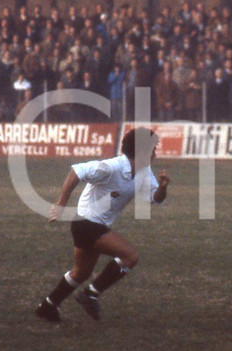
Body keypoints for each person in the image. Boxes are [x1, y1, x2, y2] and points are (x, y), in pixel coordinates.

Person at [35, 127, 170, 323]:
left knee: (81, 272)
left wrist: (163, 188)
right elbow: (77, 171)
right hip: (87, 223)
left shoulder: (143, 170)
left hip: (92, 224)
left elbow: (155, 199)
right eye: (154, 148)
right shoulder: (112, 167)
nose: (156, 153)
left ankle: (48, 306)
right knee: (130, 256)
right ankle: (91, 294)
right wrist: (62, 201)